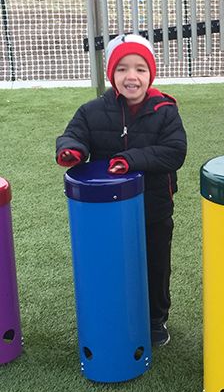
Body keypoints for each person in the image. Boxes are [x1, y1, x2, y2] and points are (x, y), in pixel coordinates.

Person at [56, 34, 187, 347]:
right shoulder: (92, 111)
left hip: (153, 209)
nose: (132, 76)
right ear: (111, 74)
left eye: (140, 69)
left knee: (155, 265)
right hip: (106, 212)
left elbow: (174, 152)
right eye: (123, 69)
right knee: (112, 263)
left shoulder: (165, 110)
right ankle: (114, 313)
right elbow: (73, 134)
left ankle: (156, 320)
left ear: (150, 74)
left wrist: (129, 160)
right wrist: (72, 149)